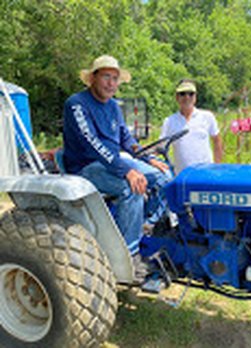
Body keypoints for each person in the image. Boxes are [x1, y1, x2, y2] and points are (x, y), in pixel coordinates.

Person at [62, 55, 170, 279]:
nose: (111, 83)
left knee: (165, 177)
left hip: (113, 161)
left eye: (115, 78)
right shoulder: (76, 104)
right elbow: (92, 144)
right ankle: (127, 258)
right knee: (132, 188)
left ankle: (145, 228)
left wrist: (148, 159)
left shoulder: (113, 106)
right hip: (86, 166)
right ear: (93, 78)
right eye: (106, 77)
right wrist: (127, 170)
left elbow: (126, 139)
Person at [160, 79, 223, 174]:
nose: (187, 97)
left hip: (206, 174)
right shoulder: (169, 121)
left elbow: (217, 141)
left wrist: (217, 168)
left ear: (195, 97)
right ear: (177, 97)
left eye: (191, 94)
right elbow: (161, 146)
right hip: (182, 177)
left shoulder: (207, 116)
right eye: (182, 94)